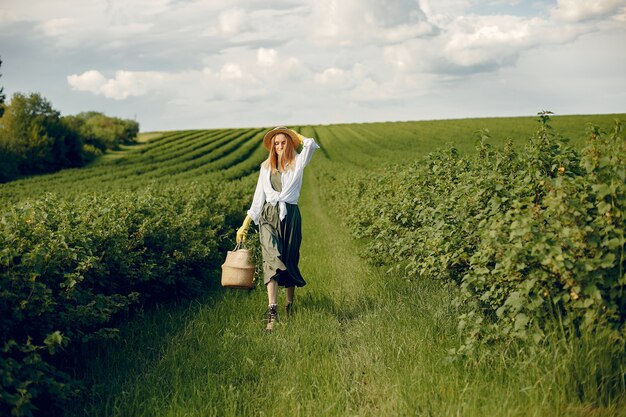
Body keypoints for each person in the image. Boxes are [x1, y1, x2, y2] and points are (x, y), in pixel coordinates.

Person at [236, 126, 319, 331]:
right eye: (276, 143)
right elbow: (258, 199)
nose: (279, 146)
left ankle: (289, 306)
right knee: (271, 259)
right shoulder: (265, 168)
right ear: (272, 147)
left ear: (289, 144)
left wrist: (293, 134)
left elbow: (310, 144)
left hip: (290, 216)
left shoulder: (297, 163)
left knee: (289, 259)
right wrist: (244, 225)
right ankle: (272, 313)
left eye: (283, 142)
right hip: (268, 217)